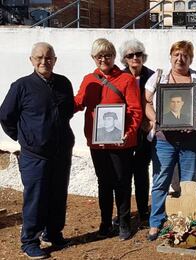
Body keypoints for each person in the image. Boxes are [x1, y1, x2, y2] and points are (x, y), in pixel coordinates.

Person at [0, 42, 74, 259]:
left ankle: (53, 232)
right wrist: (26, 138)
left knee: (58, 195)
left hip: (61, 152)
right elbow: (6, 116)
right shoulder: (21, 86)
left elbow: (67, 112)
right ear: (31, 60)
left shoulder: (63, 83)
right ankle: (30, 241)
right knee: (36, 197)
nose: (44, 62)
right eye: (39, 58)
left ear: (55, 60)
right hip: (35, 155)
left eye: (49, 58)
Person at [145, 40, 196, 241]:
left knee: (189, 184)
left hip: (190, 141)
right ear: (171, 56)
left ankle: (186, 223)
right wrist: (156, 119)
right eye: (176, 54)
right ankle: (155, 223)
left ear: (190, 58)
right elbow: (147, 102)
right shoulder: (158, 78)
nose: (180, 58)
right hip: (164, 141)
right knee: (160, 182)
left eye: (184, 55)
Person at [74, 38, 142, 241]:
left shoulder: (126, 79)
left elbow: (135, 110)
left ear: (114, 57)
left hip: (121, 142)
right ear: (93, 58)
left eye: (108, 55)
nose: (104, 59)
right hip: (98, 142)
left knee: (121, 181)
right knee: (104, 183)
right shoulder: (89, 79)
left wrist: (128, 133)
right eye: (99, 56)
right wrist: (59, 100)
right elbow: (79, 101)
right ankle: (105, 222)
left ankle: (123, 222)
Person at [119, 39, 154, 224]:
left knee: (141, 173)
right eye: (130, 55)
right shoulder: (119, 77)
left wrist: (150, 121)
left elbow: (157, 102)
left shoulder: (153, 76)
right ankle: (124, 215)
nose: (135, 58)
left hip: (144, 134)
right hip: (125, 133)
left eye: (138, 54)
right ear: (124, 59)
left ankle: (143, 212)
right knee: (123, 175)